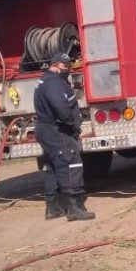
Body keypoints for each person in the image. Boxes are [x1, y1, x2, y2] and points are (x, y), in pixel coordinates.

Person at [34, 52, 95, 221]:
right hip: (57, 129)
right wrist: (72, 124)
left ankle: (53, 208)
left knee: (53, 166)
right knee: (71, 164)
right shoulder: (54, 83)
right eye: (64, 65)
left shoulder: (47, 80)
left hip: (47, 129)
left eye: (68, 65)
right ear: (54, 65)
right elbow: (60, 106)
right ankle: (73, 207)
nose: (67, 68)